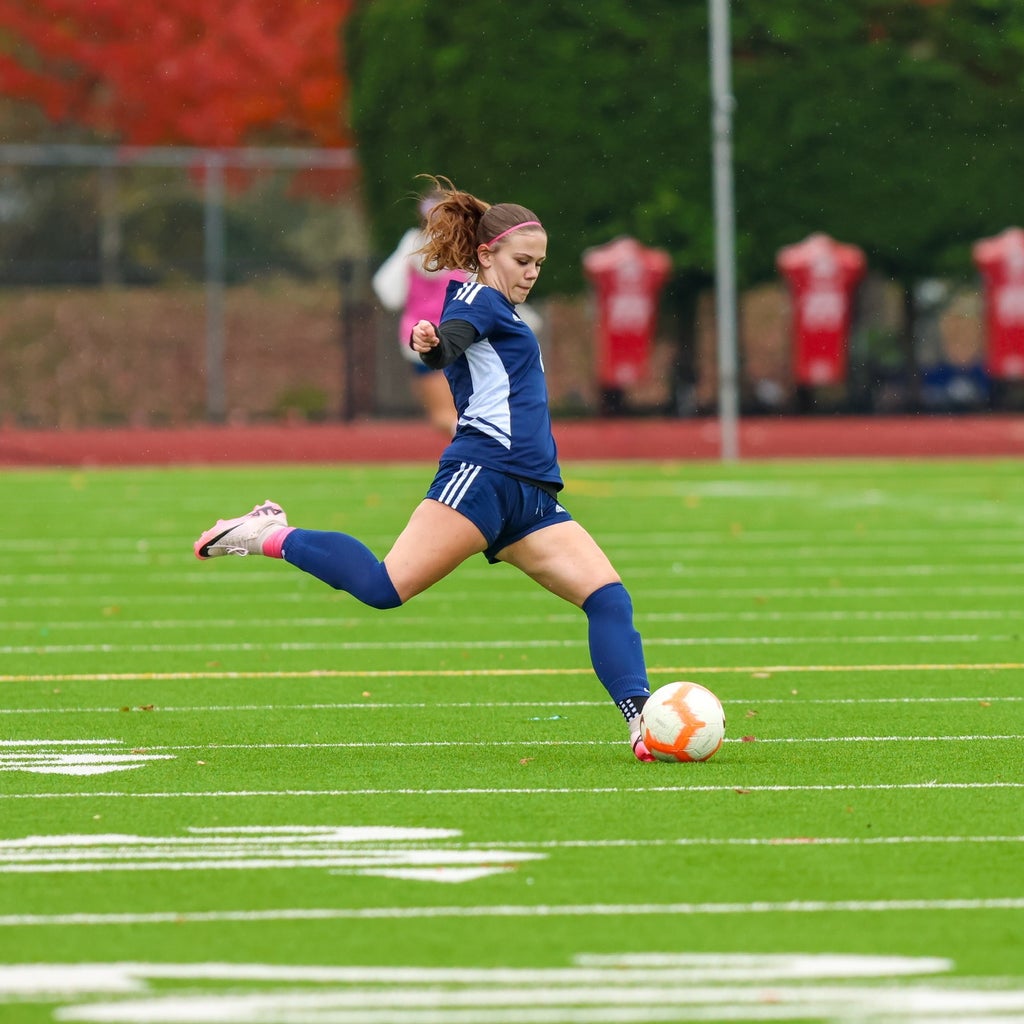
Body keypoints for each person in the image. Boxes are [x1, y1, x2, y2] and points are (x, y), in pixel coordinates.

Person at [193, 175, 656, 761]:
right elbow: (450, 342)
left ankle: (644, 725)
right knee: (384, 589)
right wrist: (432, 344)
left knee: (609, 599)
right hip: (483, 478)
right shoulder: (474, 298)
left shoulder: (507, 308)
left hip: (533, 496)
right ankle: (269, 533)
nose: (533, 272)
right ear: (487, 255)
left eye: (540, 262)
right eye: (522, 260)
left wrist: (440, 344)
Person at [372, 193, 467, 436]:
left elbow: (388, 291)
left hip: (423, 338)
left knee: (444, 417)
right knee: (463, 413)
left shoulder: (412, 245)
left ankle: (481, 458)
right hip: (462, 336)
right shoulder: (465, 247)